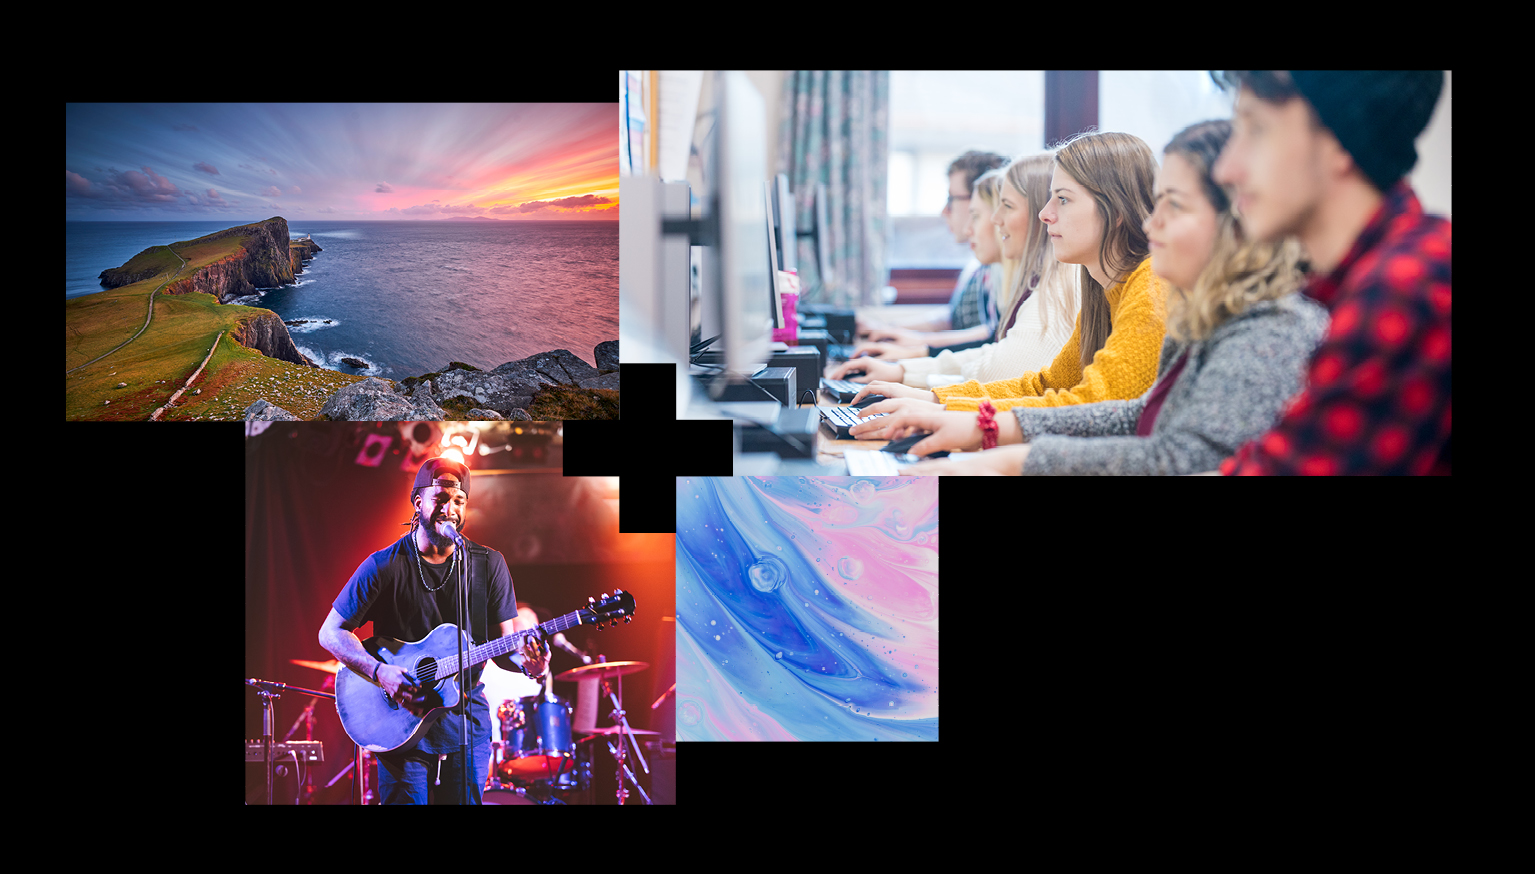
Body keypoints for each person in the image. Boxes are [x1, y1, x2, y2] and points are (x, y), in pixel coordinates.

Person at [892, 120, 1328, 474]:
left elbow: (1175, 454)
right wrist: (977, 424)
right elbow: (1130, 412)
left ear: (1236, 217)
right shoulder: (1199, 313)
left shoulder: (1264, 326)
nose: (1150, 223)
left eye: (1172, 206)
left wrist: (1002, 450)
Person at [1210, 70, 1450, 475]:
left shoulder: (1402, 289)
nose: (1226, 169)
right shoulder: (1388, 270)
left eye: (1257, 129)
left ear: (1340, 140)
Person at [847, 131, 1165, 432]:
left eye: (1063, 199)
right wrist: (934, 400)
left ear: (1117, 210)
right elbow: (1045, 385)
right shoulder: (1102, 289)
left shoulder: (1149, 289)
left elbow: (1095, 407)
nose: (1045, 214)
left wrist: (947, 413)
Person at [318, 457, 550, 804]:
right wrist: (380, 672)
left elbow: (504, 648)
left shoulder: (487, 564)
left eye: (459, 501)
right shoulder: (385, 564)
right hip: (400, 715)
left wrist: (533, 666)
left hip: (464, 717)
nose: (450, 509)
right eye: (440, 498)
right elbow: (330, 633)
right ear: (419, 502)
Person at [854, 150, 1007, 354]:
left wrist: (919, 345)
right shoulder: (980, 264)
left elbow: (994, 335)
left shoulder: (1005, 267)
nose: (944, 211)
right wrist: (889, 329)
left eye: (952, 198)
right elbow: (952, 319)